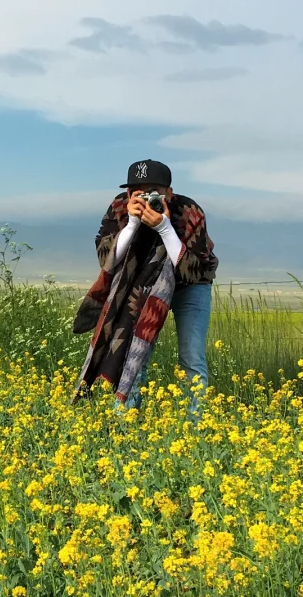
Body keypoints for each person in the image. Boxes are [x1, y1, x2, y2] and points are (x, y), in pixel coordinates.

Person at [72, 158, 218, 411]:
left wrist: (164, 227)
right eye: (139, 193)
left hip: (189, 288)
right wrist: (131, 225)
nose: (147, 198)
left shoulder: (189, 211)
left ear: (169, 194)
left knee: (192, 357)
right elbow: (106, 258)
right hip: (141, 287)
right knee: (132, 352)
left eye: (155, 193)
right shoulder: (119, 208)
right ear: (128, 194)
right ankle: (126, 421)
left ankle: (196, 425)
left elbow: (195, 271)